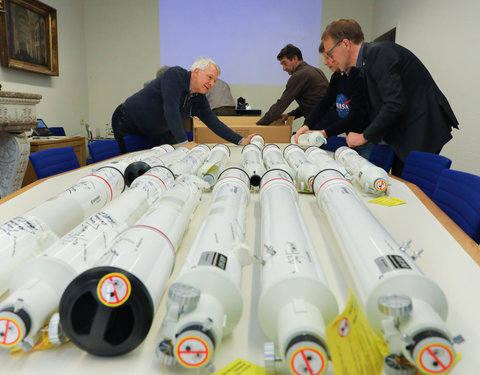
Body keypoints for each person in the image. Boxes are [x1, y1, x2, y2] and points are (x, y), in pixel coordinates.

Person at [308, 18, 458, 176]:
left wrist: (364, 137)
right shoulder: (367, 61)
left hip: (423, 127)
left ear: (345, 44)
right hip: (407, 130)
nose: (330, 60)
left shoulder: (378, 54)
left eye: (330, 53)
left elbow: (394, 103)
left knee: (409, 186)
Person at [112, 58, 255, 153]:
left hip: (153, 131)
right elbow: (171, 109)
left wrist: (241, 140)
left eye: (214, 81)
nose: (212, 83)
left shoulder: (198, 97)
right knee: (129, 165)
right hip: (127, 121)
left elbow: (213, 122)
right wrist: (184, 142)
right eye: (209, 77)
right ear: (196, 72)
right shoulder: (174, 75)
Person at [295, 41, 373, 159]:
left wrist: (324, 133)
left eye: (329, 57)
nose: (326, 63)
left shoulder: (359, 74)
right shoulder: (337, 76)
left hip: (367, 140)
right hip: (351, 139)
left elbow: (357, 116)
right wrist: (307, 125)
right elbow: (324, 103)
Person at [256, 44, 328, 125]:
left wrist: (259, 125)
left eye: (285, 63)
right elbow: (313, 104)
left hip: (319, 122)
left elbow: (281, 104)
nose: (284, 68)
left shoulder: (299, 75)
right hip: (325, 119)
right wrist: (290, 115)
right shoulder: (315, 70)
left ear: (295, 59)